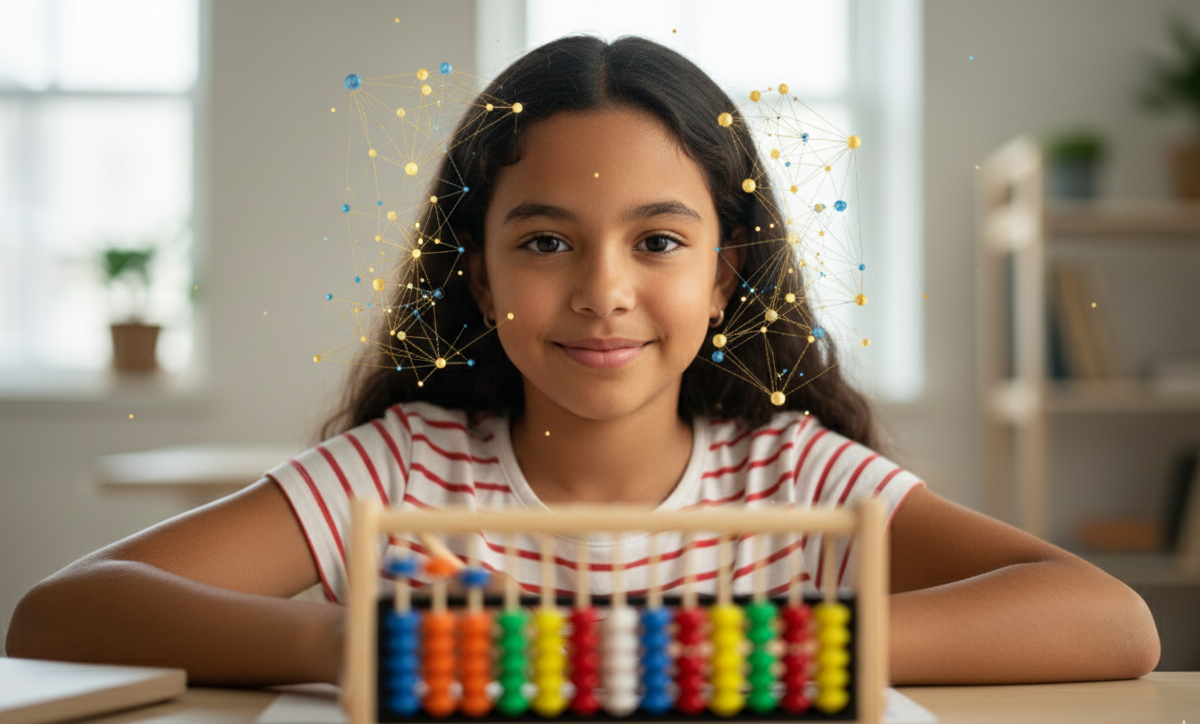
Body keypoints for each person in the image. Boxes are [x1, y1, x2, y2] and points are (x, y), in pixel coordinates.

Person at [6, 36, 1159, 688]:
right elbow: (58, 613)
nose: (603, 289)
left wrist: (739, 646)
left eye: (659, 241)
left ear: (725, 275)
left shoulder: (791, 476)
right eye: (545, 241)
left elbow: (1111, 621)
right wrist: (342, 638)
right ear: (478, 276)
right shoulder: (403, 472)